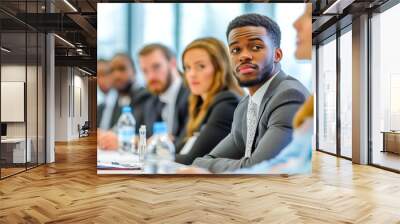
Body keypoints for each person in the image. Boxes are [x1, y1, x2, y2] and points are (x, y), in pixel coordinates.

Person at [179, 4, 314, 174]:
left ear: (277, 55)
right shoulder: (245, 105)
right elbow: (204, 160)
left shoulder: (289, 95)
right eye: (235, 50)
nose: (243, 56)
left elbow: (256, 169)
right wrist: (208, 165)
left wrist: (208, 166)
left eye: (256, 47)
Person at [174, 37, 244, 165]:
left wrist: (153, 156)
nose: (191, 74)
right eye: (187, 68)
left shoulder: (227, 104)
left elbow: (193, 160)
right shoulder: (198, 104)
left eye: (200, 66)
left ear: (220, 69)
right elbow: (177, 150)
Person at [97, 53, 151, 150]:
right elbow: (115, 129)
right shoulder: (119, 99)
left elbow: (149, 137)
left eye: (122, 69)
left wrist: (122, 141)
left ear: (134, 71)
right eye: (112, 71)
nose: (117, 75)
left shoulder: (145, 97)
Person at [138, 44, 189, 139]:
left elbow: (188, 141)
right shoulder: (150, 100)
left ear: (173, 63)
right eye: (145, 71)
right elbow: (147, 137)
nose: (151, 77)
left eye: (156, 67)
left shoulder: (192, 94)